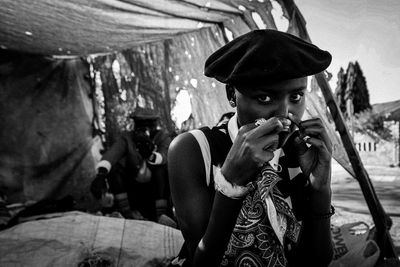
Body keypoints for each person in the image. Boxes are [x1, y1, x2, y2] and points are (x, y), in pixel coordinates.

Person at [168, 30, 334, 267]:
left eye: (296, 96)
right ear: (231, 95)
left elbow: (317, 261)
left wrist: (321, 188)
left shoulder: (301, 153)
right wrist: (229, 184)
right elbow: (202, 261)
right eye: (265, 98)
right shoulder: (195, 149)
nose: (284, 114)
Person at [91, 111, 173, 223]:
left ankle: (162, 216)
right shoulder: (127, 138)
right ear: (135, 125)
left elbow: (164, 156)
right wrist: (101, 175)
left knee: (161, 170)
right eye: (140, 124)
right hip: (134, 189)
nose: (144, 128)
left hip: (155, 190)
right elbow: (112, 154)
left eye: (148, 123)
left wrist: (150, 155)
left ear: (154, 124)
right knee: (115, 170)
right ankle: (127, 215)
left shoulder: (162, 137)